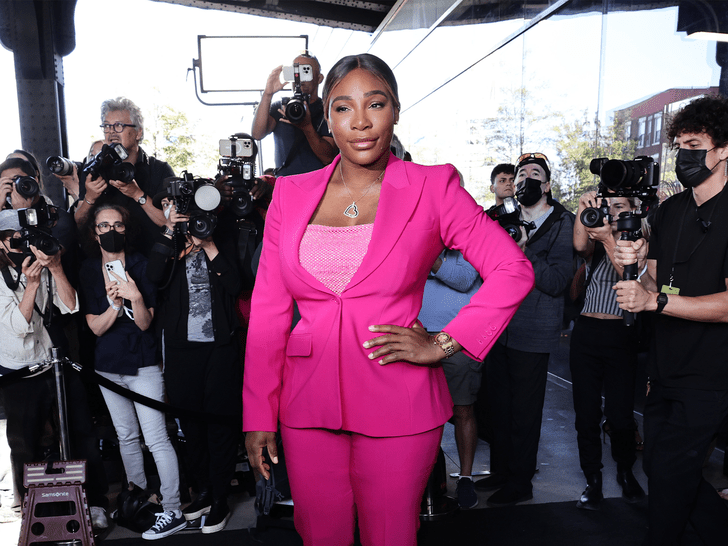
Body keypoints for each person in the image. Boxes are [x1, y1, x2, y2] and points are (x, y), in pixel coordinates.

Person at [243, 53, 534, 546]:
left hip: (398, 399)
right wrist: (257, 414)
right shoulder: (290, 194)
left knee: (390, 537)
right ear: (325, 116)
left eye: (374, 104)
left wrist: (443, 343)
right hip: (305, 402)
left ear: (395, 110)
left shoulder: (432, 186)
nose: (360, 121)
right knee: (319, 536)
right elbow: (269, 312)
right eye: (342, 108)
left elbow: (512, 269)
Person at [614, 94, 728, 545]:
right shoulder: (671, 210)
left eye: (695, 144)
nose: (685, 155)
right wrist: (631, 255)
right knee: (662, 468)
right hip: (664, 370)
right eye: (680, 145)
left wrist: (655, 303)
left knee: (670, 471)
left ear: (723, 149)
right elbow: (656, 277)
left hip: (712, 373)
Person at [78, 203, 186, 540]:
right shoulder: (86, 270)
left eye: (117, 225)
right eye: (104, 225)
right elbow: (95, 328)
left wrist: (135, 297)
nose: (111, 230)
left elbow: (144, 323)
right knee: (126, 437)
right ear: (94, 232)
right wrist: (114, 306)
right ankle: (137, 499)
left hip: (142, 363)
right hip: (108, 367)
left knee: (156, 439)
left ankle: (173, 509)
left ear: (126, 228)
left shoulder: (141, 264)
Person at [0, 209, 109, 529]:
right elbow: (17, 327)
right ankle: (30, 509)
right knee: (25, 441)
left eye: (29, 238)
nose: (26, 246)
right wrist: (31, 285)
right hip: (19, 369)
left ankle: (96, 501)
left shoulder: (42, 264)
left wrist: (57, 268)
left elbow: (70, 305)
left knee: (81, 431)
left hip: (55, 362)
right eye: (18, 240)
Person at [476, 152, 574, 507]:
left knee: (525, 411)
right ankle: (502, 470)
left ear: (546, 185)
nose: (526, 178)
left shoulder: (564, 222)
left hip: (534, 329)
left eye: (535, 173)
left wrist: (523, 252)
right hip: (498, 325)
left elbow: (557, 281)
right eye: (520, 174)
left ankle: (521, 482)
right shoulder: (504, 218)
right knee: (497, 406)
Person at [147, 195, 242, 535]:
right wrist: (171, 230)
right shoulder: (170, 243)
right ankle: (203, 490)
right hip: (181, 349)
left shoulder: (221, 236)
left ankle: (220, 499)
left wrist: (210, 244)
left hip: (220, 349)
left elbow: (235, 285)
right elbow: (153, 278)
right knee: (191, 425)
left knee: (220, 425)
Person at [570, 191, 646, 510]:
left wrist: (608, 238)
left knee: (620, 415)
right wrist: (582, 209)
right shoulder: (594, 236)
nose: (612, 211)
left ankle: (626, 472)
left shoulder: (639, 243)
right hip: (587, 333)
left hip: (621, 333)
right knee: (586, 414)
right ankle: (593, 478)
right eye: (608, 205)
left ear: (633, 211)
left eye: (620, 206)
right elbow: (578, 246)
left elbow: (632, 273)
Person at [418, 248, 483, 509]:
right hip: (419, 334)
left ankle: (465, 478)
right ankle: (424, 476)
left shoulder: (470, 244)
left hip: (459, 335)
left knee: (463, 409)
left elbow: (463, 279)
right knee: (421, 414)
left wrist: (428, 254)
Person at [75, 97, 174, 256]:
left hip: (152, 263)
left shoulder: (160, 170)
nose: (112, 131)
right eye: (107, 126)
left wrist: (137, 194)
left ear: (138, 132)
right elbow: (78, 223)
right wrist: (90, 198)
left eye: (119, 125)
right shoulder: (92, 170)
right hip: (106, 264)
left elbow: (169, 223)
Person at [251, 53, 337, 176]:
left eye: (305, 71)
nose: (300, 78)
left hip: (319, 184)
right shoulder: (280, 107)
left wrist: (307, 127)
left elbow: (328, 157)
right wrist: (268, 94)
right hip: (287, 184)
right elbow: (257, 134)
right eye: (296, 72)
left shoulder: (327, 109)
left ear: (319, 78)